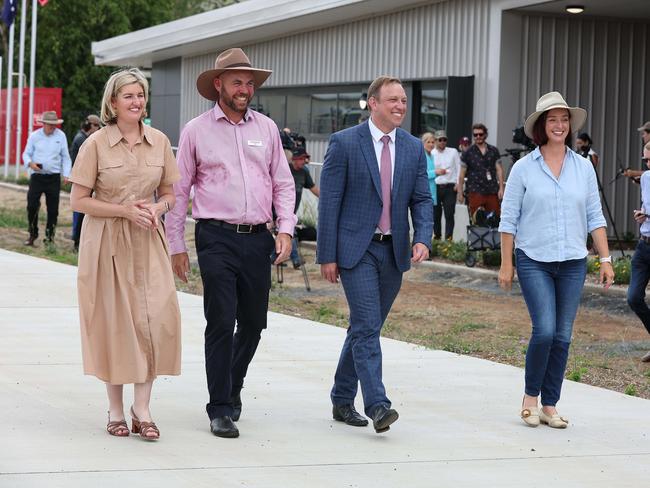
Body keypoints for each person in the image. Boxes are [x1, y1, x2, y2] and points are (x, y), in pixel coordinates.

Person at [166, 48, 296, 439]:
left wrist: (286, 228)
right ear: (218, 85)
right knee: (221, 320)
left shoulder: (267, 129)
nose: (245, 88)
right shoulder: (195, 131)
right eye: (238, 81)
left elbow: (282, 183)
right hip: (216, 237)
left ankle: (232, 385)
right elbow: (179, 189)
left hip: (258, 239)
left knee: (254, 324)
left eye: (250, 82)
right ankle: (220, 407)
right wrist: (177, 244)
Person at [69, 68, 182, 440]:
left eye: (141, 95)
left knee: (155, 318)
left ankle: (142, 408)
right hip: (106, 242)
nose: (137, 101)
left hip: (149, 239)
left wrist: (158, 209)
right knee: (116, 323)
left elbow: (170, 193)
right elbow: (79, 201)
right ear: (113, 103)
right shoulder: (96, 144)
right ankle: (116, 410)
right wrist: (123, 210)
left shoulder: (161, 141)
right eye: (129, 96)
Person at [317, 76, 433, 434]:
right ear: (373, 103)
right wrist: (327, 255)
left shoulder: (413, 148)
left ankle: (340, 396)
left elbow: (422, 198)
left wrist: (423, 237)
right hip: (356, 250)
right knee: (367, 327)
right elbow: (330, 202)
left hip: (393, 251)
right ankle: (378, 404)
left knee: (364, 328)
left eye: (403, 101)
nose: (400, 106)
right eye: (393, 100)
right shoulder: (345, 142)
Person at [498, 91, 614, 429]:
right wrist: (507, 264)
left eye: (564, 119)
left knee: (563, 336)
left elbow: (595, 215)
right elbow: (508, 220)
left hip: (574, 262)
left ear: (570, 125)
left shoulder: (583, 168)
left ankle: (550, 405)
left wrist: (605, 258)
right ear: (541, 126)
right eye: (553, 119)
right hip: (534, 258)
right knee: (545, 331)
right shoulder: (523, 168)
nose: (559, 125)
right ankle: (529, 398)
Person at [22, 111, 72, 246]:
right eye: (49, 124)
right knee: (31, 205)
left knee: (53, 210)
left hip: (53, 178)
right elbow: (26, 154)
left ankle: (50, 238)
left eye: (54, 124)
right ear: (43, 124)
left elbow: (66, 157)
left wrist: (67, 174)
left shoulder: (61, 136)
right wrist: (30, 163)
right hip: (37, 177)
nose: (52, 127)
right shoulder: (34, 136)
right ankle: (33, 234)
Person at [627, 142, 650, 362]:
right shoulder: (645, 179)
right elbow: (646, 206)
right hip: (644, 246)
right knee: (634, 297)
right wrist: (641, 215)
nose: (647, 164)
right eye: (645, 160)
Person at [70, 114, 102, 251]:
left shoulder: (85, 138)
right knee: (79, 213)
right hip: (82, 181)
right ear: (91, 125)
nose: (98, 129)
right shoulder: (81, 139)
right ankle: (76, 241)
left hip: (85, 179)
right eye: (97, 126)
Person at [457, 123, 504, 217]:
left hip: (492, 190)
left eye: (481, 134)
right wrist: (460, 192)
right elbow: (462, 174)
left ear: (485, 135)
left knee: (494, 220)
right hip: (475, 191)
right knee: (476, 221)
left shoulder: (494, 150)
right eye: (475, 135)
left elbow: (499, 170)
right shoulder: (467, 152)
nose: (478, 136)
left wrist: (501, 188)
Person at [288, 146, 319, 268]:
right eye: (302, 159)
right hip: (281, 209)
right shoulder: (286, 169)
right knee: (291, 232)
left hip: (292, 211)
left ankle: (273, 258)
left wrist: (328, 199)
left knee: (289, 232)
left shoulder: (304, 172)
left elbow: (313, 188)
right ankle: (296, 260)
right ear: (295, 159)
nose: (304, 161)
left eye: (305, 159)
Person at [433, 130, 461, 240]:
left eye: (444, 140)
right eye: (440, 140)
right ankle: (437, 238)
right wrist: (436, 171)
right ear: (435, 141)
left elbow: (459, 168)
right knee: (436, 214)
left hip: (450, 186)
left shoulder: (453, 151)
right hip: (435, 186)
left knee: (449, 214)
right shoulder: (432, 152)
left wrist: (458, 184)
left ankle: (449, 239)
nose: (442, 142)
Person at [421, 132, 438, 222]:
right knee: (425, 219)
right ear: (423, 143)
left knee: (430, 218)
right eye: (428, 142)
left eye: (432, 142)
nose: (431, 144)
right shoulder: (421, 155)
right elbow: (422, 174)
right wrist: (436, 172)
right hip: (424, 191)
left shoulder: (431, 156)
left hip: (432, 190)